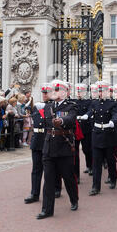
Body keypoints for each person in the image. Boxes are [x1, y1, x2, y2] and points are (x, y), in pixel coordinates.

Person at [37, 79, 79, 220]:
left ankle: (74, 199)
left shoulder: (71, 106)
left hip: (64, 145)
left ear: (65, 92)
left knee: (68, 177)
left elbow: (71, 119)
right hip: (49, 146)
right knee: (48, 179)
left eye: (57, 90)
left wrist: (61, 121)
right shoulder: (48, 106)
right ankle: (47, 210)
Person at [85, 80, 117, 196]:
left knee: (110, 160)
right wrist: (87, 115)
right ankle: (96, 187)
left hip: (109, 135)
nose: (101, 93)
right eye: (100, 91)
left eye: (103, 91)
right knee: (96, 163)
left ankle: (113, 178)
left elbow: (116, 114)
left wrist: (113, 121)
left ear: (107, 92)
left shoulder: (113, 103)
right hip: (97, 134)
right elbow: (91, 112)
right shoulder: (94, 103)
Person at [24, 84, 53, 204]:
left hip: (48, 140)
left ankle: (54, 189)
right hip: (37, 140)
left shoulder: (53, 107)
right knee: (36, 169)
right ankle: (34, 193)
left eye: (47, 92)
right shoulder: (37, 107)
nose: (44, 94)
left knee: (50, 170)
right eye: (43, 93)